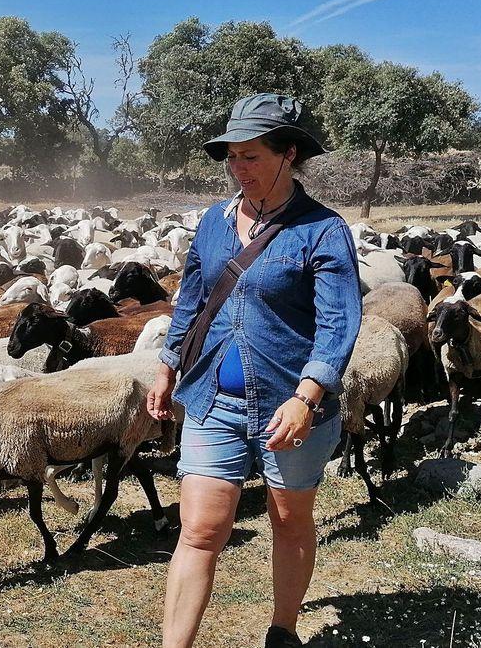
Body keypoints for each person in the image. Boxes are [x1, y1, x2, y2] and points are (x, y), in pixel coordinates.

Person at [149, 93, 362, 648]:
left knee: (288, 522)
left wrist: (308, 395)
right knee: (199, 530)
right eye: (231, 157)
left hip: (290, 408)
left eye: (251, 157)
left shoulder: (321, 230)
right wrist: (169, 363)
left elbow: (338, 323)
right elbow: (191, 301)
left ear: (288, 154)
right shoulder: (214, 224)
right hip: (214, 401)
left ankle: (282, 630)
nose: (237, 169)